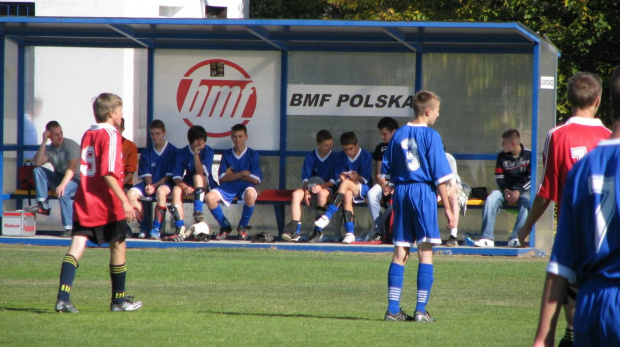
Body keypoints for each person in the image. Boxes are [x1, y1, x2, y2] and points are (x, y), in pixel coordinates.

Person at [519, 72, 611, 346]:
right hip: (605, 232)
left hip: (571, 229)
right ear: (598, 99)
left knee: (567, 281)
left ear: (569, 100)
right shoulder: (609, 137)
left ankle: (572, 334)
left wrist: (526, 227)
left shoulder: (557, 135)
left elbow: (546, 191)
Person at [54, 92, 142, 313]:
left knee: (76, 246)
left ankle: (63, 299)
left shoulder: (89, 133)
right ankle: (118, 300)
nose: (122, 114)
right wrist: (125, 201)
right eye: (120, 110)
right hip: (106, 202)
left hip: (85, 199)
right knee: (118, 244)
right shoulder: (111, 135)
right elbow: (108, 173)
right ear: (112, 113)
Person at [381, 90, 454, 322]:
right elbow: (440, 177)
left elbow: (385, 171)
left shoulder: (399, 133)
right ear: (428, 111)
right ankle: (421, 310)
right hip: (423, 192)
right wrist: (449, 210)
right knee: (425, 250)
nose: (438, 116)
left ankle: (393, 310)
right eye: (438, 111)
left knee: (401, 249)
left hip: (401, 193)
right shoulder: (431, 136)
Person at [470, 129, 531, 248]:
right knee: (491, 199)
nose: (502, 145)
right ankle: (487, 238)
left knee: (527, 202)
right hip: (506, 190)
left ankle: (516, 238)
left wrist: (519, 191)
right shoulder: (501, 156)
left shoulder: (529, 155)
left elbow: (532, 178)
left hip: (523, 191)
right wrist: (506, 190)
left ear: (513, 143)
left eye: (504, 143)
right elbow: (499, 177)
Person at [314, 131, 373, 244]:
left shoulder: (366, 155)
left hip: (363, 188)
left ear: (356, 144)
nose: (348, 152)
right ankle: (350, 233)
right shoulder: (339, 156)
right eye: (345, 149)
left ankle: (327, 215)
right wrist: (340, 178)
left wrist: (357, 177)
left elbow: (366, 178)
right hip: (346, 189)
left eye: (350, 149)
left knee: (345, 184)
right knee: (347, 194)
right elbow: (336, 176)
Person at [25, 121, 81, 238]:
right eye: (55, 134)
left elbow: (71, 168)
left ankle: (69, 228)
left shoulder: (70, 145)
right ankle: (42, 205)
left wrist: (62, 185)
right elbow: (38, 162)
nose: (60, 136)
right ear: (49, 135)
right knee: (38, 170)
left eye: (61, 133)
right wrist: (44, 142)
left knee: (63, 192)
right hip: (61, 178)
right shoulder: (49, 149)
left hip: (77, 179)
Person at [207, 124, 262, 241]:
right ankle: (225, 226)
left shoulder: (252, 154)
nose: (237, 139)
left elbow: (255, 179)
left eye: (240, 136)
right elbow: (222, 178)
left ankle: (242, 226)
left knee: (251, 195)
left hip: (246, 186)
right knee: (209, 197)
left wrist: (231, 175)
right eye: (235, 136)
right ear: (231, 137)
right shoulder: (227, 154)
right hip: (229, 186)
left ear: (246, 137)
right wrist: (242, 173)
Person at [126, 120, 178, 239]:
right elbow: (146, 174)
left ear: (164, 133)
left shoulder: (172, 151)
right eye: (152, 134)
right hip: (150, 183)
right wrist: (149, 184)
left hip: (165, 183)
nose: (154, 137)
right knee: (131, 193)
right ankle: (144, 226)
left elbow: (169, 176)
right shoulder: (147, 152)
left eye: (157, 133)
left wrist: (155, 186)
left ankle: (156, 228)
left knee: (161, 191)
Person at [281, 130, 335, 242]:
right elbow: (306, 178)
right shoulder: (310, 156)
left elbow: (334, 181)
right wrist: (306, 191)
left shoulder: (334, 157)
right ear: (318, 144)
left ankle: (317, 231)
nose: (329, 147)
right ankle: (295, 230)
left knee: (322, 194)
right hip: (309, 188)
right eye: (326, 145)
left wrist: (321, 186)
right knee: (296, 194)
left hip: (326, 187)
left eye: (330, 144)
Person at [167, 125, 217, 240]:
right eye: (197, 139)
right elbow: (177, 176)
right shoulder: (182, 152)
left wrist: (195, 154)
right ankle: (180, 227)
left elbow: (201, 172)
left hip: (205, 183)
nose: (200, 142)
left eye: (202, 139)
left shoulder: (208, 151)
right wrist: (184, 186)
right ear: (191, 140)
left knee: (197, 177)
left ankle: (198, 212)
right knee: (176, 190)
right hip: (188, 183)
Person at [367, 117, 399, 242]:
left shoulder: (402, 146)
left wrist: (395, 186)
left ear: (393, 132)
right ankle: (379, 231)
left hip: (399, 183)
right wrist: (385, 185)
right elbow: (379, 174)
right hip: (385, 182)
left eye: (385, 134)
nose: (382, 137)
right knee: (371, 194)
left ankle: (399, 231)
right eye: (381, 134)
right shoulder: (381, 148)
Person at [443, 151, 470, 247]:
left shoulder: (448, 158)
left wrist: (440, 196)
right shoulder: (425, 157)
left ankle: (453, 236)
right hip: (434, 188)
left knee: (454, 197)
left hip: (451, 186)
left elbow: (453, 186)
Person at [117, 118, 138, 191]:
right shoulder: (105, 145)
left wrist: (116, 186)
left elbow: (130, 174)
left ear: (122, 129)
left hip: (124, 184)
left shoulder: (130, 146)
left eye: (117, 128)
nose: (114, 131)